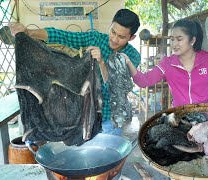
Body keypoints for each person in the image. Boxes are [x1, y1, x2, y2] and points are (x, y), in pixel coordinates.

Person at [9, 9, 141, 136]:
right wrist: (28, 32)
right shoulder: (95, 39)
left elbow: (114, 87)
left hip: (110, 119)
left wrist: (101, 63)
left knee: (109, 156)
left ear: (132, 37)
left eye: (121, 37)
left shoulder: (132, 57)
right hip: (85, 115)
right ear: (111, 25)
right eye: (113, 32)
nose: (114, 39)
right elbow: (63, 36)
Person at [123, 19, 208, 107]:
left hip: (205, 113)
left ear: (192, 40)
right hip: (180, 115)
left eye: (179, 39)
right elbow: (144, 81)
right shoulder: (168, 64)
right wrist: (129, 62)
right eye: (172, 39)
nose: (174, 44)